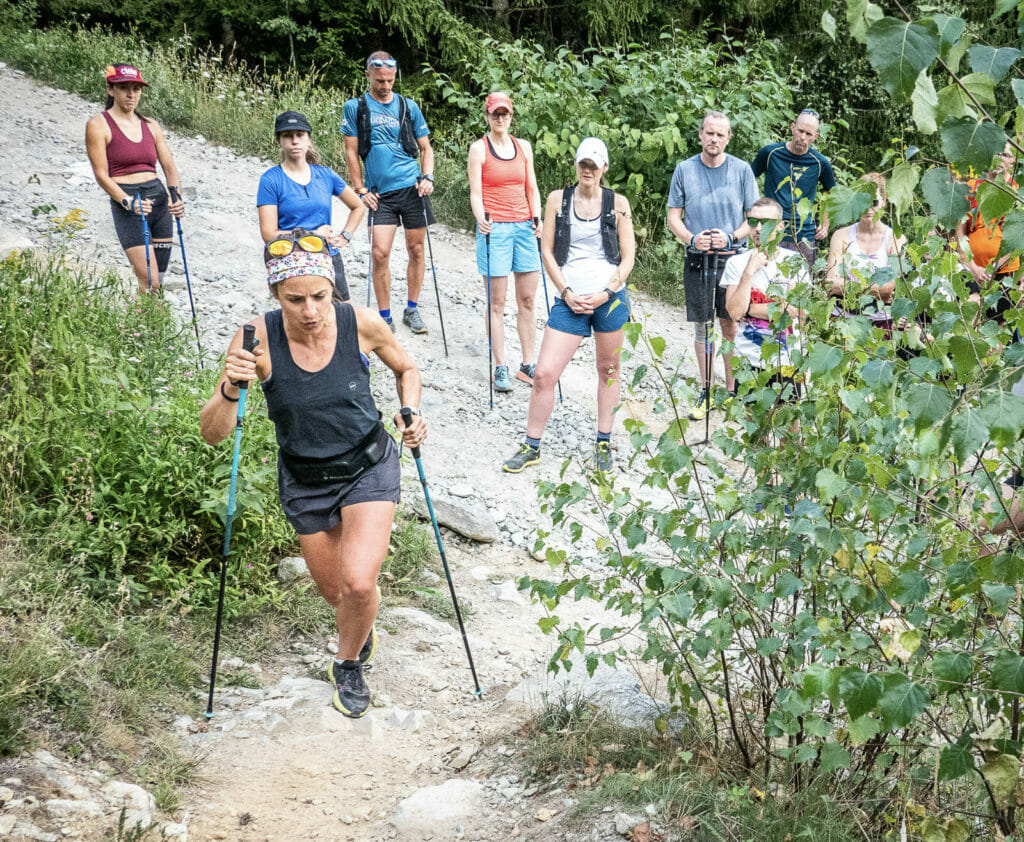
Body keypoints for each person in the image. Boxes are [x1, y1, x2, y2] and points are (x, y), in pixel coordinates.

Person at [199, 232, 426, 719]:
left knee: (360, 584)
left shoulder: (361, 322)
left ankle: (347, 663)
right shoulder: (255, 339)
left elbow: (407, 368)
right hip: (305, 478)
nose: (310, 310)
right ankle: (360, 628)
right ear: (275, 295)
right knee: (336, 593)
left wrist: (410, 411)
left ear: (332, 288)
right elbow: (214, 433)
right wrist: (230, 386)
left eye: (319, 296)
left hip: (368, 463)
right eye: (295, 299)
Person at [502, 137, 635, 474]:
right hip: (570, 296)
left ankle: (603, 440)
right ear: (576, 165)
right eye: (583, 164)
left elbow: (629, 255)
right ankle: (532, 445)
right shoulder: (557, 200)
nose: (588, 170)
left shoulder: (618, 203)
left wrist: (608, 291)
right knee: (545, 373)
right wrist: (565, 291)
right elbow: (546, 250)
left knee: (608, 370)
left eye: (594, 164)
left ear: (604, 168)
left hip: (609, 297)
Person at [667, 111, 759, 420]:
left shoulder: (742, 170)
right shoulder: (684, 170)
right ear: (700, 135)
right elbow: (673, 217)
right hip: (697, 258)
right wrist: (692, 239)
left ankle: (732, 391)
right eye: (709, 133)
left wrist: (731, 237)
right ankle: (706, 390)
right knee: (703, 326)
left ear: (728, 138)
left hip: (732, 260)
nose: (714, 139)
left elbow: (755, 219)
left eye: (720, 134)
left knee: (730, 325)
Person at [342, 51, 435, 334]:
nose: (385, 86)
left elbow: (426, 148)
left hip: (411, 188)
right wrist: (360, 190)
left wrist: (428, 176)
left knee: (416, 250)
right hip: (378, 194)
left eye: (390, 81)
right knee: (380, 253)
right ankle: (384, 316)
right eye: (380, 80)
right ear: (368, 74)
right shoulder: (355, 107)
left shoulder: (408, 106)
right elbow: (351, 152)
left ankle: (412, 309)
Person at [467, 92, 544, 391]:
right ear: (487, 116)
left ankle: (527, 364)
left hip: (524, 227)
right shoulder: (479, 149)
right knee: (497, 302)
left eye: (505, 114)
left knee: (527, 299)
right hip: (495, 228)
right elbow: (475, 192)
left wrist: (536, 217)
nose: (500, 118)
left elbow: (532, 187)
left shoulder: (523, 147)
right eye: (495, 114)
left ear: (511, 116)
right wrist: (481, 217)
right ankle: (500, 365)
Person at [85, 63, 185, 292]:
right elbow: (101, 174)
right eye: (124, 88)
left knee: (157, 279)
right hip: (129, 204)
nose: (131, 94)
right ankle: (144, 325)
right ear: (111, 90)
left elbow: (169, 167)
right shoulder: (98, 125)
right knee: (149, 280)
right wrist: (127, 201)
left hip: (158, 204)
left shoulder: (151, 125)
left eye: (136, 88)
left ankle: (147, 326)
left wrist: (176, 197)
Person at [257, 111, 365, 302]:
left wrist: (345, 236)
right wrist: (313, 234)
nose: (295, 141)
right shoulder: (270, 180)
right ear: (279, 142)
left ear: (308, 139)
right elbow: (268, 234)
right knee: (305, 318)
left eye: (300, 135)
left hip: (327, 254)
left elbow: (358, 206)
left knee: (343, 313)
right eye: (287, 136)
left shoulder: (325, 175)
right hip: (289, 257)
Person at [720, 197, 809, 395]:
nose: (758, 228)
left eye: (766, 222)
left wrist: (751, 308)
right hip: (748, 358)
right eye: (753, 221)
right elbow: (734, 312)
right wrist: (749, 271)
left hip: (786, 358)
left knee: (789, 422)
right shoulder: (737, 263)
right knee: (750, 421)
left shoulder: (794, 261)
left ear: (780, 226)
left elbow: (796, 312)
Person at [751, 109, 836, 265]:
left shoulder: (820, 163)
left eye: (809, 134)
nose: (802, 137)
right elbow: (749, 179)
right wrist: (755, 211)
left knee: (801, 284)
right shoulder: (770, 153)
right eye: (800, 131)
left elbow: (831, 193)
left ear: (815, 137)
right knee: (767, 283)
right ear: (792, 128)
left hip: (804, 235)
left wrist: (825, 223)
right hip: (771, 231)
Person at [825, 172, 904, 332]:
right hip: (842, 320)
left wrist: (844, 287)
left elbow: (889, 287)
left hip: (882, 323)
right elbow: (830, 284)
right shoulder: (841, 235)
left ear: (884, 201)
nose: (868, 208)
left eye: (873, 202)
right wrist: (877, 290)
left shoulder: (896, 239)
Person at [956, 142, 1020, 322]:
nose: (999, 159)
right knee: (968, 322)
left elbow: (1018, 239)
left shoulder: (1017, 193)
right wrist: (971, 265)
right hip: (971, 269)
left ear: (1013, 160)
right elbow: (959, 231)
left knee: (995, 329)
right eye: (996, 153)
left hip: (1004, 271)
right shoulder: (971, 187)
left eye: (1005, 155)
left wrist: (994, 267)